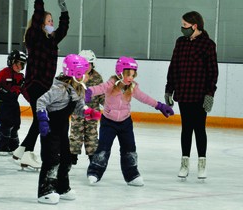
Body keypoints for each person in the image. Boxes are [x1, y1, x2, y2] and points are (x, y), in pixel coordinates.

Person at [85, 56, 174, 186]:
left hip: (125, 122)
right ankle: (94, 172)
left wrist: (159, 105)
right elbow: (100, 88)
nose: (131, 78)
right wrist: (89, 91)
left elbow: (144, 97)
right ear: (120, 72)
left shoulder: (132, 87)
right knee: (103, 149)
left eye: (133, 75)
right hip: (108, 122)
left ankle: (132, 175)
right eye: (128, 74)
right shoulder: (111, 84)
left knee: (129, 149)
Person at [36, 54, 101, 204]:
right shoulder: (59, 89)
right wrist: (42, 120)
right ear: (76, 74)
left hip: (62, 129)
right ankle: (45, 190)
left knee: (66, 158)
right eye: (84, 73)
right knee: (52, 159)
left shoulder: (76, 89)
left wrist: (89, 113)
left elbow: (78, 108)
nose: (87, 76)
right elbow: (41, 101)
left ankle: (62, 187)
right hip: (50, 129)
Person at [12, 0, 69, 169]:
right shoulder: (34, 36)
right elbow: (37, 15)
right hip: (34, 83)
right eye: (49, 20)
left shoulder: (52, 40)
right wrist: (39, 3)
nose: (51, 23)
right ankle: (27, 153)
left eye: (52, 21)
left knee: (40, 118)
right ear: (41, 23)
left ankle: (22, 150)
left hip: (45, 85)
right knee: (41, 117)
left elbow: (63, 30)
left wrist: (64, 11)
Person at [164, 11, 218, 180]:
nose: (183, 28)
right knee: (186, 128)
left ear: (195, 26)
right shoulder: (180, 42)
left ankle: (202, 163)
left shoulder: (208, 44)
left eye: (185, 26)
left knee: (200, 128)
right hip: (184, 92)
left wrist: (210, 94)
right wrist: (169, 89)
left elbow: (213, 72)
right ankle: (184, 163)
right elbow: (173, 67)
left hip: (200, 94)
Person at [69, 50, 105, 165]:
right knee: (75, 134)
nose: (87, 67)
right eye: (84, 65)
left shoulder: (97, 77)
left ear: (93, 64)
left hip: (92, 113)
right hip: (77, 112)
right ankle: (72, 157)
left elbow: (102, 94)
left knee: (92, 136)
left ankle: (92, 158)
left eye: (89, 64)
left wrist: (108, 105)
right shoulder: (75, 77)